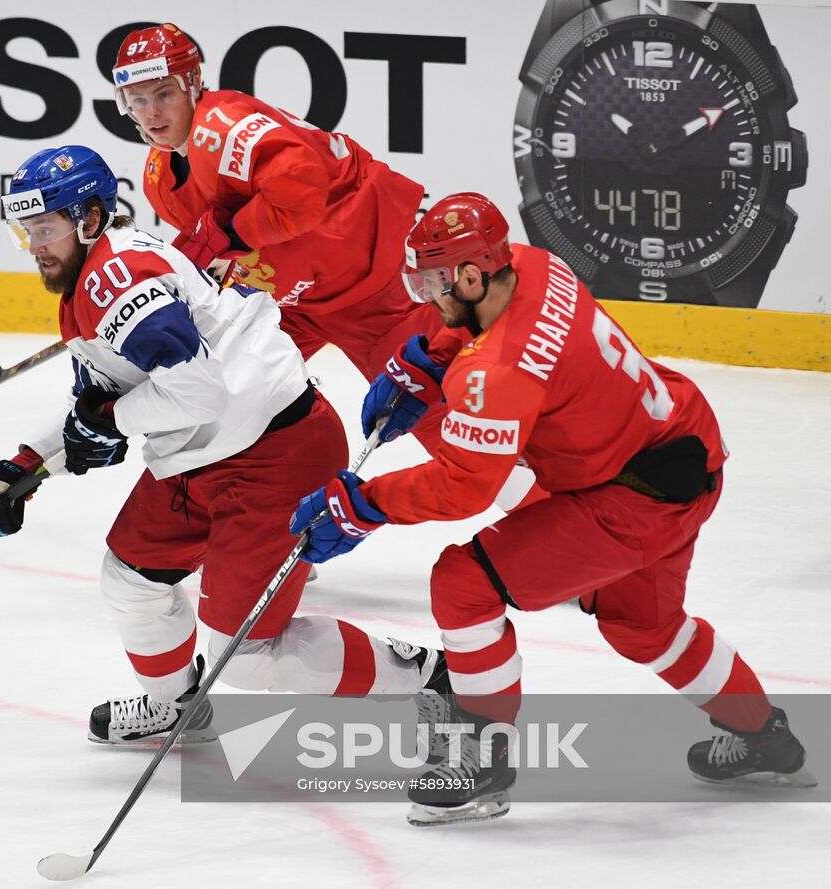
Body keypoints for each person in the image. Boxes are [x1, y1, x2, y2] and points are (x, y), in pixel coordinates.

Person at [291, 192, 816, 826]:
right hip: (685, 446)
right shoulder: (537, 265)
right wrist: (430, 355)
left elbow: (464, 487)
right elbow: (481, 324)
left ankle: (481, 763)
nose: (428, 295)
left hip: (629, 498)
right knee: (645, 627)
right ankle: (769, 739)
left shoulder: (495, 375)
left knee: (464, 583)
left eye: (435, 280)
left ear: (470, 275)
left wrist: (361, 506)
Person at [0, 144, 449, 745]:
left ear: (88, 219)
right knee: (131, 578)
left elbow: (196, 394)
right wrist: (22, 467)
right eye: (26, 231)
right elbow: (109, 401)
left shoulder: (117, 276)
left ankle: (430, 676)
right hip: (207, 453)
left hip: (276, 454)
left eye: (46, 229)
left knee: (249, 656)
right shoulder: (98, 270)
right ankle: (177, 705)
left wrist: (110, 424)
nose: (35, 247)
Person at [112, 24, 542, 511]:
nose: (151, 112)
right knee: (235, 402)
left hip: (372, 279)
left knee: (432, 408)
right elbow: (231, 247)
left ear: (193, 84)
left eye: (163, 93)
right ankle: (265, 528)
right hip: (294, 301)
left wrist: (231, 233)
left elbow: (300, 192)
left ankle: (554, 527)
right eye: (137, 98)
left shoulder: (224, 126)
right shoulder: (159, 176)